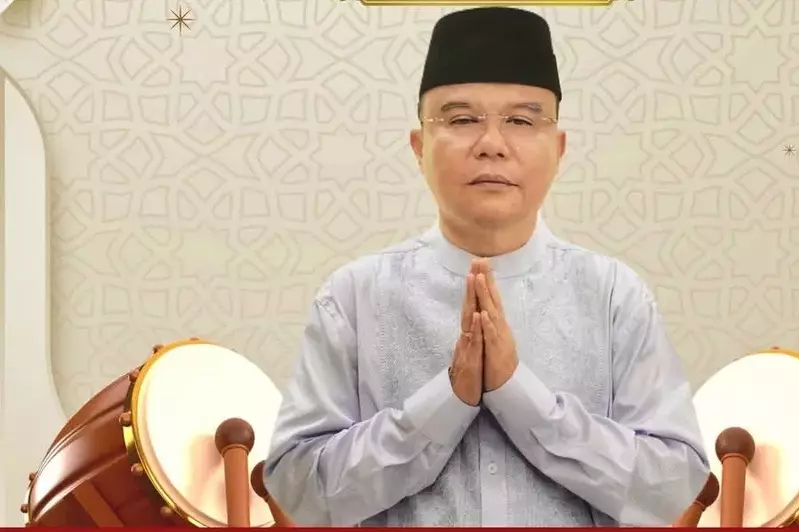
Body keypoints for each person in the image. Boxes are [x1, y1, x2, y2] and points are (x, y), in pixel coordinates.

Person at [263, 6, 709, 527]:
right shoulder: (354, 296)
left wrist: (520, 395)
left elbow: (671, 491)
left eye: (521, 120)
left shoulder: (613, 295)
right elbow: (298, 494)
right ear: (419, 147)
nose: (492, 145)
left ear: (558, 149)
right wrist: (445, 401)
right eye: (461, 120)